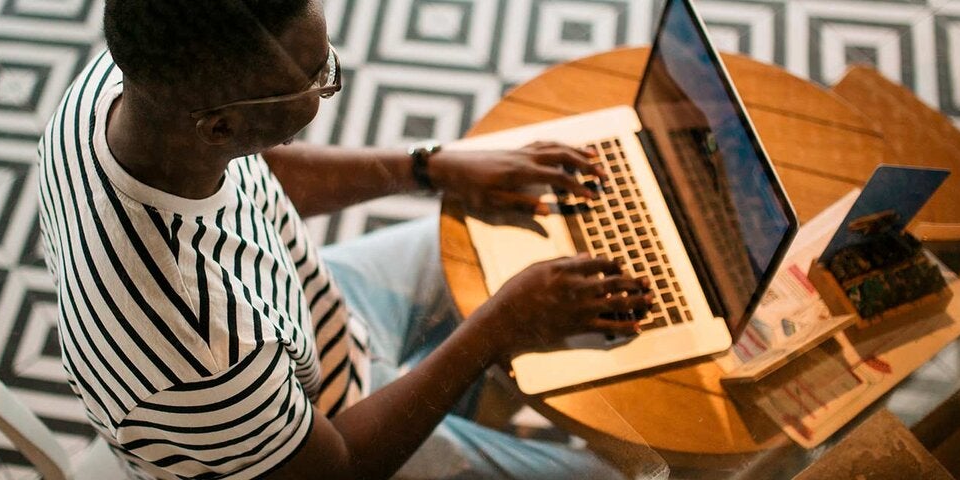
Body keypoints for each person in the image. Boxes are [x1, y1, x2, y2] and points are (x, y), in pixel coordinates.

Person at [35, 1, 653, 478]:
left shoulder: (119, 92)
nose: (329, 80)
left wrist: (432, 168)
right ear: (221, 125)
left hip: (310, 313)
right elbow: (341, 468)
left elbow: (257, 168)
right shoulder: (198, 355)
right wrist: (500, 325)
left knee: (511, 231)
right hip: (315, 428)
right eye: (316, 77)